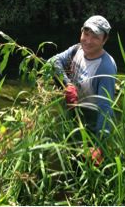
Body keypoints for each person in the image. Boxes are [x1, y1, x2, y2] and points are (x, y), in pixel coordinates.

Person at [49, 15, 117, 166]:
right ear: (81, 33)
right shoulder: (77, 50)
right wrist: (68, 84)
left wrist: (100, 146)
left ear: (104, 40)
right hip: (73, 116)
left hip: (91, 126)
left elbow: (105, 109)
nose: (88, 40)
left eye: (95, 37)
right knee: (69, 160)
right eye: (86, 34)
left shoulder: (105, 67)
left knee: (86, 168)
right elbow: (53, 62)